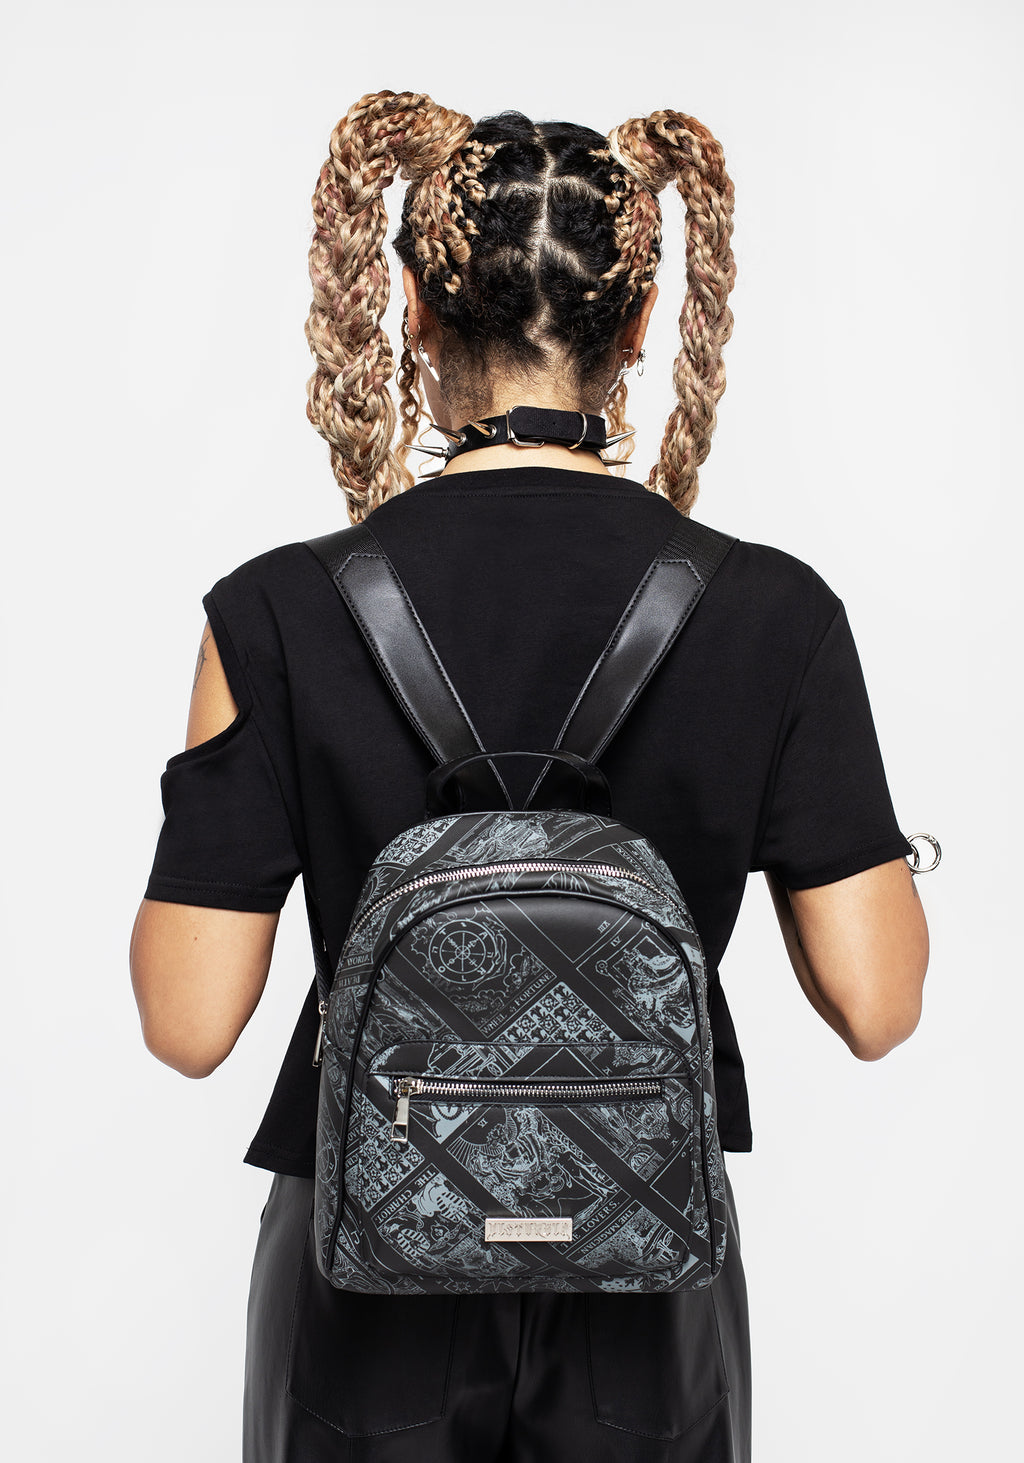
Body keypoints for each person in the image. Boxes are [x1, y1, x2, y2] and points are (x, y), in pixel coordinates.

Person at [129, 92, 929, 1463]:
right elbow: (877, 1002)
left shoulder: (274, 611)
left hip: (362, 1261)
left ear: (413, 310)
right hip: (644, 1265)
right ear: (641, 319)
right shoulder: (774, 611)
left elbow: (190, 1023)